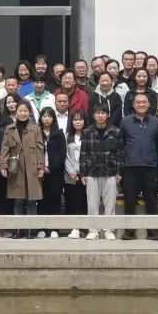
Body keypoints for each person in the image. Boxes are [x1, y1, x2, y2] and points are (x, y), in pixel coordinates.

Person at [119, 93, 158, 241]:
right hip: (130, 168)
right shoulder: (125, 122)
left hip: (150, 168)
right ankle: (129, 232)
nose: (141, 104)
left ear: (149, 104)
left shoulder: (156, 123)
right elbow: (121, 144)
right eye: (138, 102)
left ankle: (153, 232)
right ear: (133, 105)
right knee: (129, 201)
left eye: (144, 102)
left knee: (151, 201)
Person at [0, 101, 45, 238]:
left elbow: (40, 148)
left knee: (31, 200)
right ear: (16, 112)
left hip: (32, 168)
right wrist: (3, 165)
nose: (23, 113)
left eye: (25, 111)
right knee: (18, 200)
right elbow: (5, 148)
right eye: (20, 111)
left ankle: (31, 229)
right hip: (16, 168)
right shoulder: (9, 129)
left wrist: (41, 166)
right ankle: (18, 229)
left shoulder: (35, 129)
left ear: (29, 112)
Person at [79, 103, 122, 240]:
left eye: (103, 113)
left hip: (110, 172)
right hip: (92, 172)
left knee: (110, 204)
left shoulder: (115, 131)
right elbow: (83, 153)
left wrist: (119, 172)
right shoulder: (87, 132)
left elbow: (120, 152)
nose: (100, 115)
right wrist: (83, 173)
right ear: (93, 115)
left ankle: (109, 230)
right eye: (98, 113)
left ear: (107, 115)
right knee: (92, 204)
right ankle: (94, 230)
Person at [37, 107, 66, 237]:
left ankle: (54, 229)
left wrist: (51, 167)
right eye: (44, 116)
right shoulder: (37, 133)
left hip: (55, 173)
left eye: (49, 116)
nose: (47, 119)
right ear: (40, 118)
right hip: (40, 173)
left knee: (55, 200)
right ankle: (42, 228)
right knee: (42, 201)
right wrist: (41, 167)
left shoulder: (59, 134)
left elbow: (62, 153)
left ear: (53, 118)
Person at [63, 110, 88, 238]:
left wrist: (84, 171)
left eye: (80, 119)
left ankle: (84, 228)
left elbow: (90, 154)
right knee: (71, 200)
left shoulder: (89, 135)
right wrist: (71, 170)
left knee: (83, 201)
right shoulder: (67, 136)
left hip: (85, 175)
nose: (78, 122)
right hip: (70, 175)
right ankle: (73, 228)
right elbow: (65, 155)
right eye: (75, 120)